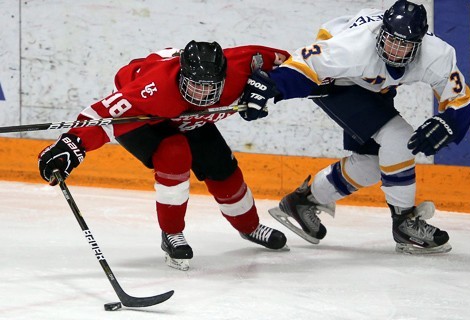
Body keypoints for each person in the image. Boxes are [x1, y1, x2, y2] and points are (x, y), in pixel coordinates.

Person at [241, 0, 470, 254]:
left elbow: (459, 99)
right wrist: (272, 86)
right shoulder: (354, 46)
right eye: (391, 40)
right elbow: (307, 64)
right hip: (338, 81)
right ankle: (404, 222)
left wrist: (450, 122)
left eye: (404, 45)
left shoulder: (437, 54)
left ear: (418, 44)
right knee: (399, 139)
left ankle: (303, 202)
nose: (394, 50)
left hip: (373, 85)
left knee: (373, 163)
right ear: (382, 31)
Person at [38, 41, 290, 270]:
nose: (202, 94)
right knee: (174, 152)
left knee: (222, 166)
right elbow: (102, 116)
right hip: (147, 117)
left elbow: (294, 63)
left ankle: (250, 227)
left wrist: (271, 83)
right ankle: (172, 234)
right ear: (182, 76)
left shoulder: (244, 63)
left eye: (210, 87)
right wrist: (72, 145)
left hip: (186, 116)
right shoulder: (152, 89)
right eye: (195, 86)